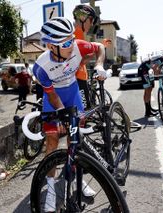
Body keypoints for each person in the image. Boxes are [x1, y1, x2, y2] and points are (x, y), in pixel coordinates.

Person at [32, 17, 107, 212]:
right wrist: (61, 115)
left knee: (76, 139)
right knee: (52, 142)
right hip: (54, 98)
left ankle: (76, 179)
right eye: (65, 43)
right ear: (50, 46)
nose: (70, 45)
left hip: (73, 92)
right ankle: (50, 188)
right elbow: (52, 96)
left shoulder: (77, 46)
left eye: (71, 39)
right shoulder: (41, 67)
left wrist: (99, 65)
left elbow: (99, 47)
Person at [73, 4, 99, 110]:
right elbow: (80, 61)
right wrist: (94, 52)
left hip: (77, 78)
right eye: (91, 20)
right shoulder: (77, 33)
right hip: (78, 78)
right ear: (83, 18)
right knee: (84, 111)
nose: (92, 24)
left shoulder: (76, 32)